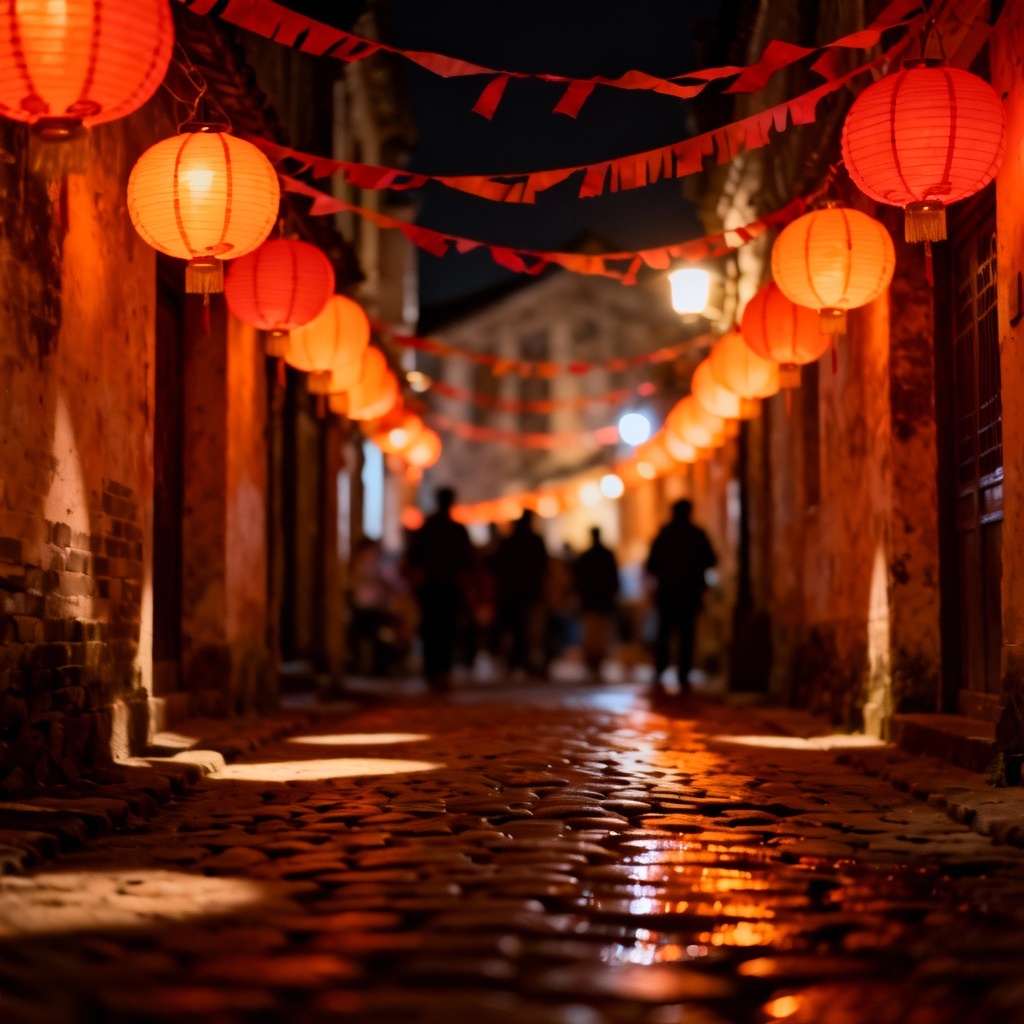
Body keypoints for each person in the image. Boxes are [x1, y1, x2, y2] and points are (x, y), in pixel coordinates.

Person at [645, 499, 716, 696]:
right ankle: (683, 674)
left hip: (668, 594)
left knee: (665, 634)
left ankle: (660, 671)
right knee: (687, 635)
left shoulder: (665, 534)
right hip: (690, 594)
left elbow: (651, 564)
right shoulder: (697, 535)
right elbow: (711, 560)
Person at [406, 487, 473, 693]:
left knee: (431, 630)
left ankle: (432, 672)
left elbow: (413, 558)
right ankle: (443, 672)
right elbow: (467, 561)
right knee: (446, 631)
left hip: (430, 588)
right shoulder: (456, 530)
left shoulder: (428, 528)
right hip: (449, 588)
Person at [492, 509, 549, 679]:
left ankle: (517, 661)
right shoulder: (532, 541)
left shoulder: (511, 542)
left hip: (515, 593)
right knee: (525, 629)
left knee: (519, 629)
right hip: (524, 593)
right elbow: (542, 566)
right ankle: (520, 661)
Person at [572, 527, 620, 683]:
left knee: (593, 634)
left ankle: (594, 662)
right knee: (600, 635)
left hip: (591, 601)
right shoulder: (605, 555)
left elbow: (578, 580)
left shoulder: (587, 556)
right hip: (601, 601)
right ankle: (595, 662)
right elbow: (614, 579)